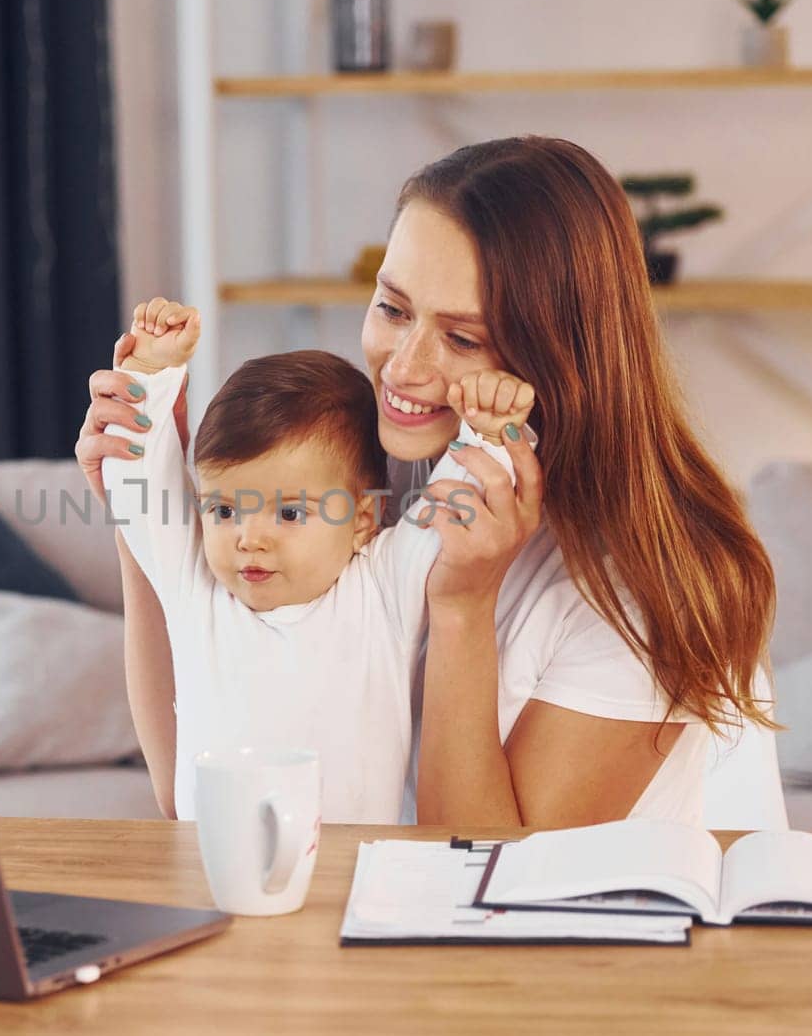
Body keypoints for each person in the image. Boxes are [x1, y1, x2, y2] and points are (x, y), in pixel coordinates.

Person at [78, 135, 784, 828]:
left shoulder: (659, 587)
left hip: (558, 939)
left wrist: (462, 607)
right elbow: (187, 789)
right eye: (392, 308)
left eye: (463, 338)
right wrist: (147, 510)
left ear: (560, 357)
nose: (403, 366)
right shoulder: (369, 475)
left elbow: (480, 871)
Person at [98, 298, 529, 823]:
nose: (249, 539)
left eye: (289, 513)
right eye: (226, 508)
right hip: (209, 870)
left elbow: (458, 501)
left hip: (353, 877)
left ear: (363, 520)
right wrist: (150, 372)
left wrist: (487, 430)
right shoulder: (197, 585)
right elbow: (134, 483)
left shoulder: (382, 589)